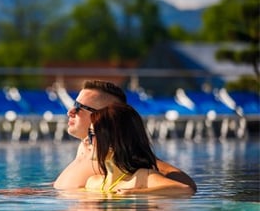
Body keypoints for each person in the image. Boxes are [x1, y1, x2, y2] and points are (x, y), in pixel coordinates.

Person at [53, 80, 197, 191]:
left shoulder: (120, 155)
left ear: (108, 115)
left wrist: (133, 191)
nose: (70, 111)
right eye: (74, 104)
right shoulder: (85, 148)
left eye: (79, 108)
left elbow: (185, 184)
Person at [84, 103, 195, 195]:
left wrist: (135, 193)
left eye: (92, 134)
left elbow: (185, 190)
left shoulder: (142, 177)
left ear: (113, 142)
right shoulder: (93, 183)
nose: (86, 140)